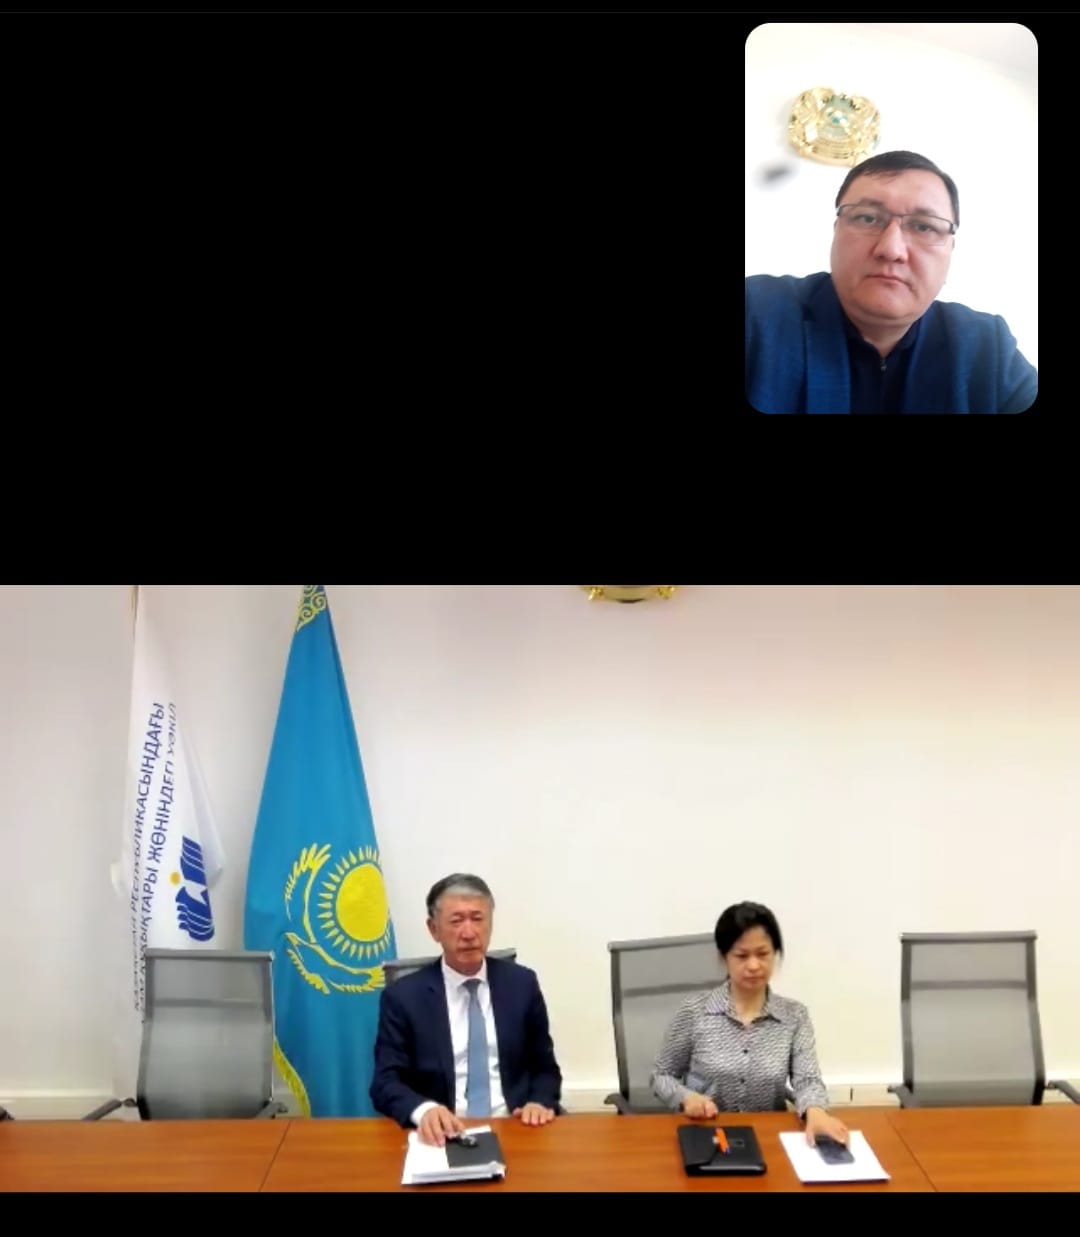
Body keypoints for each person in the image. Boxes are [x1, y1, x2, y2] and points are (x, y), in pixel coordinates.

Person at [746, 150, 1037, 413]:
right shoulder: (757, 311)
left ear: (951, 250)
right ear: (836, 231)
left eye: (923, 226)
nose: (891, 249)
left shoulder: (988, 347)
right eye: (867, 218)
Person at [370, 873, 562, 1145]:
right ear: (434, 929)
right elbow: (385, 1082)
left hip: (516, 1127)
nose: (469, 933)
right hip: (444, 1134)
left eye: (477, 918)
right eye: (456, 921)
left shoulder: (521, 984)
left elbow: (545, 1068)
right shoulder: (403, 997)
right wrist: (425, 1111)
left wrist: (539, 1102)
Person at [651, 901, 849, 1146]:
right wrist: (685, 1097)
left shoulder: (794, 1016)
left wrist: (816, 1112)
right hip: (705, 1135)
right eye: (742, 956)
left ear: (775, 954)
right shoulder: (694, 1011)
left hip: (767, 1138)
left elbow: (807, 1080)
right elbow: (662, 1075)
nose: (754, 965)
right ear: (724, 958)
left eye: (763, 954)